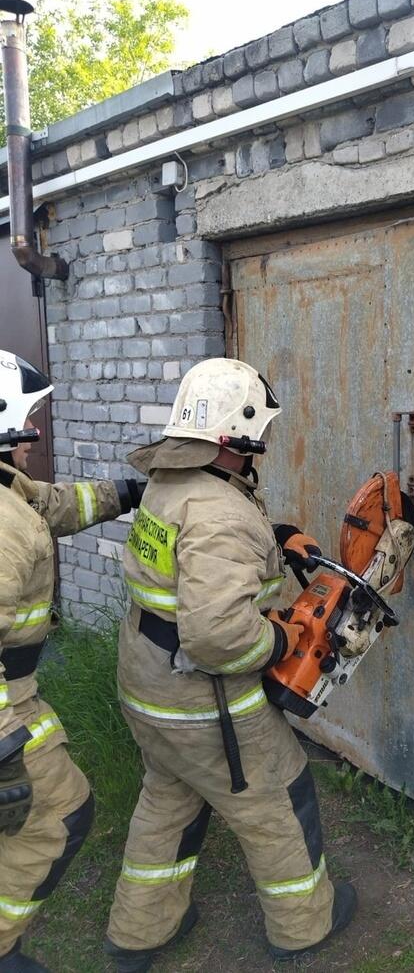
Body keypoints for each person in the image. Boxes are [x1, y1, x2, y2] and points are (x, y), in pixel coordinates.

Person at [105, 357, 356, 972]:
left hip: (148, 686)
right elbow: (218, 634)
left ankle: (141, 931)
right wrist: (280, 642)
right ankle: (304, 924)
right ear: (233, 433)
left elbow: (196, 550)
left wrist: (277, 535)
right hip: (204, 704)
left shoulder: (168, 486)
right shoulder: (222, 514)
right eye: (260, 433)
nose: (264, 445)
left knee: (167, 801)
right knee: (276, 801)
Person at [0, 349, 144, 973]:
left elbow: (52, 506)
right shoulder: (2, 524)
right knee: (58, 816)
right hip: (6, 711)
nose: (35, 435)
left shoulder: (13, 497)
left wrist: (130, 492)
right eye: (28, 419)